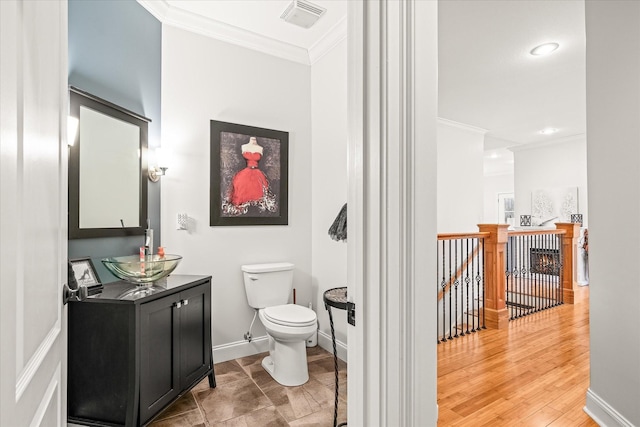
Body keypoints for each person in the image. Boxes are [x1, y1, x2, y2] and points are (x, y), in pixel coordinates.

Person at [222, 137, 277, 215]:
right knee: (241, 189)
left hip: (257, 174)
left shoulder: (260, 148)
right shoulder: (244, 147)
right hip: (245, 172)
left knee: (259, 192)